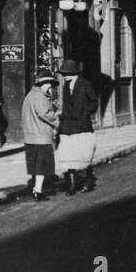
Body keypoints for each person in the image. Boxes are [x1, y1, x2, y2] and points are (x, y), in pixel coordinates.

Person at [56, 59, 98, 195]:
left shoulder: (85, 85)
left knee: (83, 154)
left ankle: (88, 180)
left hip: (83, 125)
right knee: (69, 155)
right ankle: (72, 184)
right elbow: (66, 107)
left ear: (73, 73)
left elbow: (94, 103)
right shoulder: (65, 87)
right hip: (68, 126)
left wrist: (85, 113)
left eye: (65, 73)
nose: (64, 76)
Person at [21, 71, 59, 201]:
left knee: (35, 166)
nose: (50, 87)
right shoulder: (39, 97)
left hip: (31, 136)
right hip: (41, 136)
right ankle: (38, 190)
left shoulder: (30, 96)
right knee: (41, 166)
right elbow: (45, 113)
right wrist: (58, 122)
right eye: (48, 84)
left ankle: (35, 187)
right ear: (42, 84)